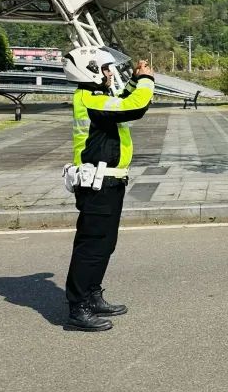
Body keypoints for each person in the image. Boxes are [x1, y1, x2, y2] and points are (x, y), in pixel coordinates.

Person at [62, 46, 155, 332]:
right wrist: (146, 81)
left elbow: (122, 104)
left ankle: (92, 295)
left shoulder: (99, 99)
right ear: (89, 70)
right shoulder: (89, 99)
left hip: (109, 180)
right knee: (92, 245)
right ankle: (78, 308)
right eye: (105, 68)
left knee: (104, 243)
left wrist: (133, 81)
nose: (110, 73)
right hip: (97, 182)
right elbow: (134, 107)